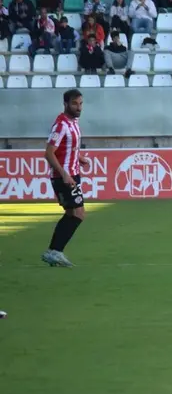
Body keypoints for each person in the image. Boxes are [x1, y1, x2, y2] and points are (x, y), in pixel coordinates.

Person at [42, 89, 87, 268]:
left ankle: (54, 251)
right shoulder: (60, 125)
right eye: (75, 104)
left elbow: (67, 149)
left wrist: (78, 157)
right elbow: (49, 153)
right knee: (79, 214)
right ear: (66, 104)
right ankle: (55, 251)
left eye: (81, 103)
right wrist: (64, 174)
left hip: (72, 173)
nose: (78, 107)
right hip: (64, 176)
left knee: (72, 213)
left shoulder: (73, 122)